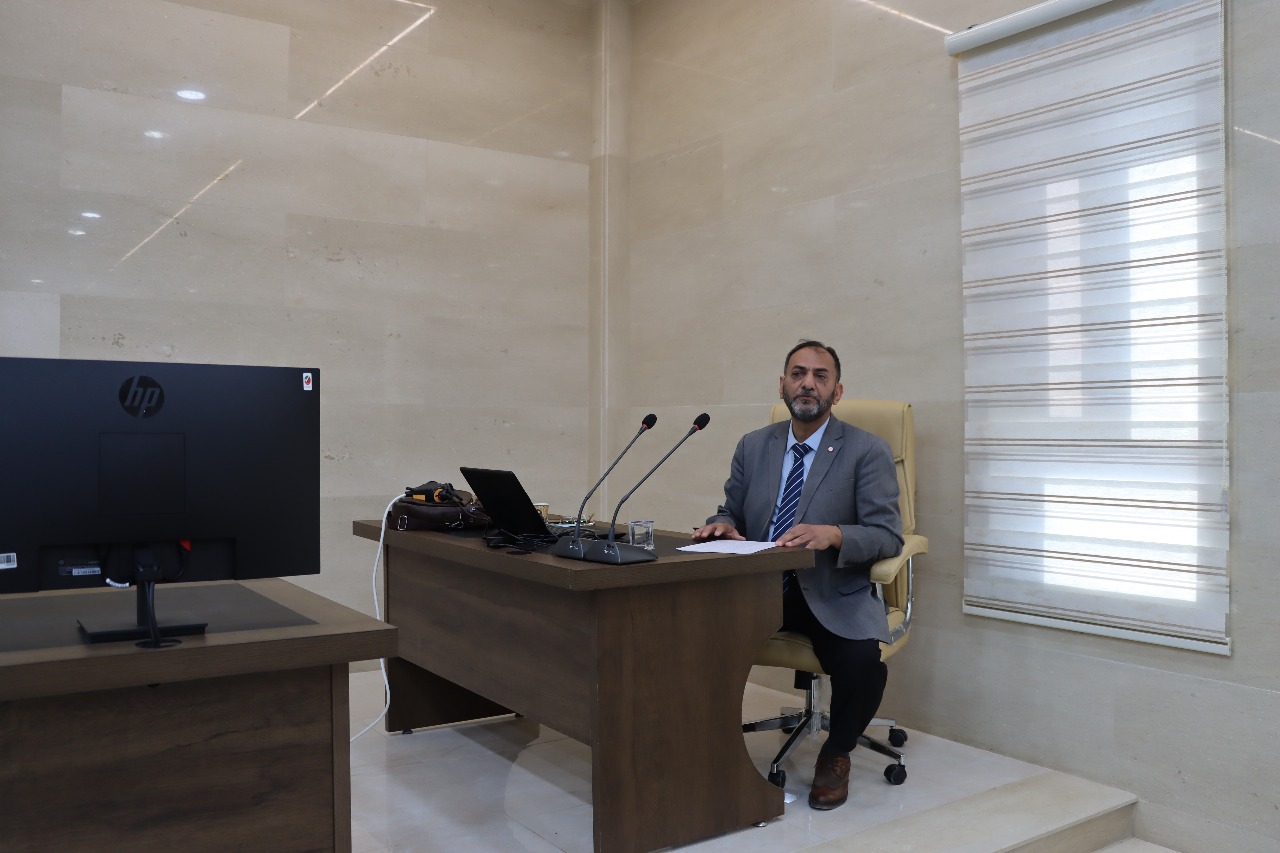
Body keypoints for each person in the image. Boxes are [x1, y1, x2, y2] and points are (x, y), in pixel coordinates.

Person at [692, 339, 903, 810]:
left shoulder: (867, 450)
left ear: (837, 391)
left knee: (863, 664)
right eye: (798, 373)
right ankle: (705, 741)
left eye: (820, 376)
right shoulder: (753, 446)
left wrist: (835, 534)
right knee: (691, 633)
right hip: (760, 587)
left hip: (832, 590)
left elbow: (888, 536)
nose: (808, 383)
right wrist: (723, 525)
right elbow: (731, 510)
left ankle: (836, 752)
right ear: (782, 385)